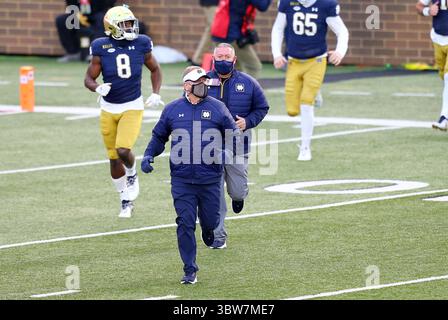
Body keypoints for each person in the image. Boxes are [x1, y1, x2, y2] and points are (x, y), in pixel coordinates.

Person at [140, 66, 240, 284]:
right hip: (182, 180)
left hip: (210, 180)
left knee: (211, 221)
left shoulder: (218, 108)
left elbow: (234, 134)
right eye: (199, 82)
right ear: (187, 86)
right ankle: (189, 269)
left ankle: (209, 231)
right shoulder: (173, 109)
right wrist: (149, 155)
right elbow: (159, 136)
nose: (204, 85)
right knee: (185, 222)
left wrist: (228, 152)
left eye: (205, 81)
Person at [84, 5, 164, 218]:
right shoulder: (101, 46)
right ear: (112, 26)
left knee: (122, 150)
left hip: (132, 105)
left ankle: (131, 172)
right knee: (112, 158)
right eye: (124, 24)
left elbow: (155, 68)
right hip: (108, 108)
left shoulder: (141, 43)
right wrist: (96, 87)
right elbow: (88, 78)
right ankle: (124, 200)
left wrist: (156, 92)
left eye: (130, 23)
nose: (129, 27)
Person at [207, 43, 269, 249]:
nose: (223, 60)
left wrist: (248, 122)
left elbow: (262, 107)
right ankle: (218, 236)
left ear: (234, 60)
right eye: (220, 56)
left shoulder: (248, 82)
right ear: (213, 58)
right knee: (214, 192)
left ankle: (239, 196)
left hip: (237, 145)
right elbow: (188, 103)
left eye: (227, 56)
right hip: (210, 146)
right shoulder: (203, 81)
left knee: (237, 190)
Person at [271, 0, 349, 161]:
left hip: (316, 60)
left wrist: (340, 52)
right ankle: (315, 93)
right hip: (294, 61)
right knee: (292, 111)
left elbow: (342, 31)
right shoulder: (287, 3)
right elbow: (278, 28)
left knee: (306, 103)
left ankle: (305, 148)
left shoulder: (326, 5)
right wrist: (276, 54)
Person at [211, 0, 272, 79]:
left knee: (234, 70)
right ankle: (248, 90)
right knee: (254, 66)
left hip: (220, 31)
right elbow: (262, 6)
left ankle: (231, 90)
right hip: (229, 34)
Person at [417, 1, 448, 131]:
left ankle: (444, 118)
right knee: (444, 78)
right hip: (438, 38)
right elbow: (418, 6)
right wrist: (428, 11)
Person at [191, 0, 219, 66]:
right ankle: (222, 59)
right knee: (217, 30)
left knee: (211, 30)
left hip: (220, 3)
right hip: (212, 2)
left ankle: (197, 60)